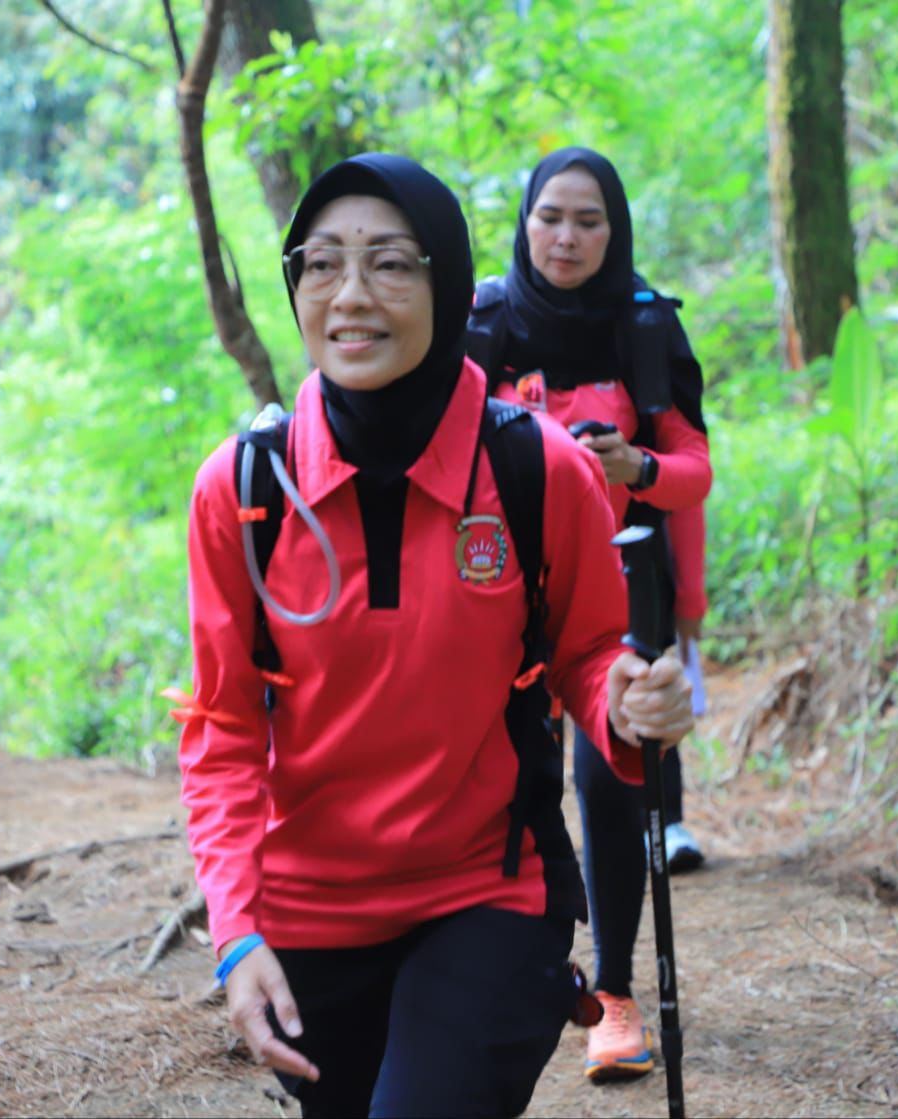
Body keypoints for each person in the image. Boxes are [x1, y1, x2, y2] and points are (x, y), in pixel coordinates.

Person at [175, 153, 695, 1118]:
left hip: (486, 892)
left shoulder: (534, 469)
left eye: (390, 264)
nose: (351, 296)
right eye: (320, 265)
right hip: (309, 921)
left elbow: (586, 655)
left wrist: (623, 698)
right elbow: (224, 730)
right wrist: (239, 933)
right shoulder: (245, 491)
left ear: (448, 281)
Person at [468, 146, 713, 1084]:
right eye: (549, 217)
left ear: (615, 231)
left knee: (610, 776)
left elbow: (693, 467)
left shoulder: (646, 326)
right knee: (503, 774)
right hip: (499, 583)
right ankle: (514, 965)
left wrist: (634, 468)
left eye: (588, 221)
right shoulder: (482, 322)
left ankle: (611, 993)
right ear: (525, 221)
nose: (565, 238)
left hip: (621, 577)